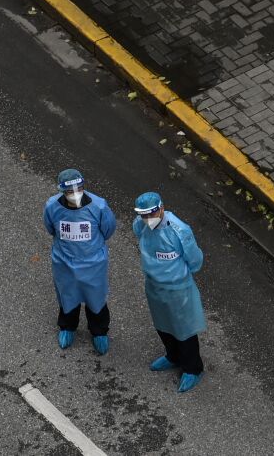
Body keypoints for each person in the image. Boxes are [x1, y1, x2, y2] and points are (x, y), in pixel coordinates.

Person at [132, 192, 206, 393]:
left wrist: (176, 276)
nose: (148, 219)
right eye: (144, 215)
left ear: (162, 208)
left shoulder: (179, 230)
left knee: (184, 330)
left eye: (151, 214)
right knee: (163, 324)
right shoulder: (140, 224)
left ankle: (193, 368)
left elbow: (194, 260)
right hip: (155, 286)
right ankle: (172, 356)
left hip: (178, 289)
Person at [43, 168, 116, 355]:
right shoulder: (52, 206)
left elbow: (108, 229)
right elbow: (51, 228)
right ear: (61, 191)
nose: (75, 195)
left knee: (96, 298)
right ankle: (67, 327)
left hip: (93, 263)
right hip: (64, 261)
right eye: (69, 192)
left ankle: (99, 331)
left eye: (78, 189)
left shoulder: (98, 206)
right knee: (67, 295)